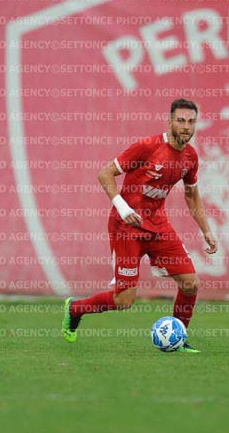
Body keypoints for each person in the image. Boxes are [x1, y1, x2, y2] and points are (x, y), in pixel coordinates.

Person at [62, 98, 217, 352]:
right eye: (180, 121)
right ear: (170, 122)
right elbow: (105, 173)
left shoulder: (190, 157)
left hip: (158, 226)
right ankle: (75, 309)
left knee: (191, 283)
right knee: (124, 300)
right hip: (127, 228)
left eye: (191, 122)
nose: (186, 126)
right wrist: (124, 209)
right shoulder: (147, 147)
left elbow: (191, 195)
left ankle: (179, 339)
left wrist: (206, 231)